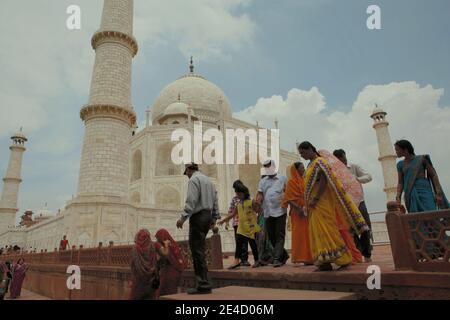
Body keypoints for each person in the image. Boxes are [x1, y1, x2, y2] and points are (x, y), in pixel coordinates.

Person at [298, 142, 369, 271]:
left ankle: (344, 260)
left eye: (303, 152)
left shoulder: (320, 161)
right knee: (318, 232)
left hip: (322, 203)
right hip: (314, 205)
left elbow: (324, 180)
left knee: (328, 231)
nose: (302, 156)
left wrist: (316, 198)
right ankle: (324, 262)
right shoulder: (310, 165)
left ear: (309, 149)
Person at [176, 163, 220, 294]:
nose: (187, 176)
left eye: (187, 173)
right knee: (200, 250)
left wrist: (183, 218)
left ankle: (203, 285)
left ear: (190, 170)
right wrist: (214, 220)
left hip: (198, 217)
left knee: (197, 251)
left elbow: (191, 200)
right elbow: (215, 201)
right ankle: (205, 282)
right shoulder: (209, 182)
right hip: (207, 216)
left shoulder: (194, 180)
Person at [333, 149, 373, 261]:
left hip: (359, 201)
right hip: (345, 204)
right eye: (340, 159)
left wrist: (355, 179)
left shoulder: (354, 167)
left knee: (365, 227)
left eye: (343, 158)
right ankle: (358, 252)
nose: (343, 161)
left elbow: (368, 176)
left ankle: (367, 253)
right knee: (351, 230)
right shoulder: (335, 172)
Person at [394, 140, 449, 213]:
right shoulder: (400, 164)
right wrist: (398, 197)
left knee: (431, 212)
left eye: (397, 149)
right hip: (410, 194)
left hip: (424, 190)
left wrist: (438, 194)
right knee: (415, 217)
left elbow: (433, 175)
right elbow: (400, 182)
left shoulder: (421, 159)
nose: (396, 152)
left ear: (405, 149)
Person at [219, 181, 261, 268]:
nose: (238, 196)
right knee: (238, 243)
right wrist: (223, 221)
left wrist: (258, 206)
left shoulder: (251, 201)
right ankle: (236, 261)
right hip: (241, 227)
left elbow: (258, 211)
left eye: (239, 194)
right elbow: (232, 214)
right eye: (237, 194)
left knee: (253, 244)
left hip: (250, 227)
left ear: (244, 193)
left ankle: (257, 260)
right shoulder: (238, 203)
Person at [255, 159, 289, 268]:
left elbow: (288, 192)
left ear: (274, 166)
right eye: (265, 167)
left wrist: (289, 204)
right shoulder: (263, 181)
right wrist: (257, 203)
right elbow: (260, 194)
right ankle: (283, 255)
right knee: (272, 237)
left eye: (269, 166)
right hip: (267, 212)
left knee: (279, 235)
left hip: (280, 211)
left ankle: (277, 259)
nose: (267, 168)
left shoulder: (282, 178)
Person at [281, 162, 313, 265]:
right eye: (301, 168)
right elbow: (289, 198)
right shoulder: (291, 182)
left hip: (306, 211)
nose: (303, 169)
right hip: (297, 212)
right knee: (299, 235)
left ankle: (309, 257)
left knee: (308, 234)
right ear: (296, 170)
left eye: (304, 167)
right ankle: (300, 257)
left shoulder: (304, 180)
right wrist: (299, 209)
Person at [154, 228, 187, 296]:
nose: (157, 240)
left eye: (158, 239)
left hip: (170, 273)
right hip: (170, 272)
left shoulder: (168, 245)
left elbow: (164, 257)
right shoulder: (172, 244)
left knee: (166, 293)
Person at [225, 181, 250, 269]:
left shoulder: (247, 198)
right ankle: (239, 259)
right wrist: (227, 222)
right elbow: (231, 210)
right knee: (238, 242)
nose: (236, 192)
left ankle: (244, 260)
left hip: (245, 223)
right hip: (236, 223)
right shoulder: (234, 199)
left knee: (245, 242)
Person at [130, 229, 160, 300]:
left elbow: (133, 265)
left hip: (138, 281)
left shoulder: (135, 249)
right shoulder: (153, 246)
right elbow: (164, 254)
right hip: (151, 280)